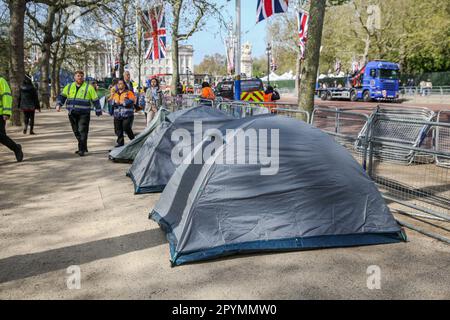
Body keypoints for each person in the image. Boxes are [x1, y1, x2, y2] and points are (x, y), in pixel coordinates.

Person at [56, 70, 102, 157]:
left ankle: (81, 149)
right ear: (74, 77)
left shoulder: (89, 87)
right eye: (78, 76)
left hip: (84, 113)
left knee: (82, 130)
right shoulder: (69, 86)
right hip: (72, 113)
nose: (80, 77)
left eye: (81, 76)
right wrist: (59, 104)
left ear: (83, 77)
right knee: (76, 131)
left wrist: (98, 109)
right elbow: (62, 96)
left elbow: (95, 99)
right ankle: (83, 146)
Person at [0, 76, 23, 162]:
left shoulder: (1, 81)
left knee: (1, 137)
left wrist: (6, 112)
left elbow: (7, 96)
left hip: (0, 114)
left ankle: (16, 148)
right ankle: (16, 148)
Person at [110, 78, 136, 147]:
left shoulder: (128, 92)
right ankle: (120, 143)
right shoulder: (115, 93)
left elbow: (133, 100)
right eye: (118, 84)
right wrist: (113, 102)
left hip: (127, 114)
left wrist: (124, 103)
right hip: (117, 114)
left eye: (121, 83)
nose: (119, 85)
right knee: (118, 129)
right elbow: (110, 101)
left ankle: (133, 140)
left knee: (126, 127)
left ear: (124, 85)